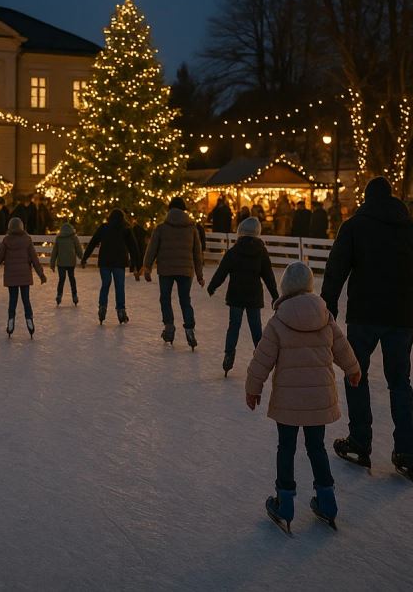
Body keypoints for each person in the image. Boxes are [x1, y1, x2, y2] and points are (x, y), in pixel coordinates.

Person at [320, 177, 413, 482]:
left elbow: (336, 269)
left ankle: (360, 441)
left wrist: (327, 309)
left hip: (364, 316)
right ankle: (406, 451)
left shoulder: (355, 226)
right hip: (402, 319)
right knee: (400, 383)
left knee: (355, 374)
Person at [246, 261, 361, 533]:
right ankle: (327, 501)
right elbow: (342, 346)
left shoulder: (278, 320)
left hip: (288, 401)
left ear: (285, 287)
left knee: (286, 448)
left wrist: (253, 388)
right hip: (318, 398)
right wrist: (353, 369)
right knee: (316, 447)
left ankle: (284, 502)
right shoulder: (325, 314)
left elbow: (262, 359)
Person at [206, 216, 279, 376]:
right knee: (256, 328)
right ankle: (261, 357)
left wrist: (213, 286)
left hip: (236, 295)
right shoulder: (261, 252)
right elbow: (268, 276)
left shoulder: (234, 251)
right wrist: (275, 296)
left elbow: (222, 271)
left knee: (234, 326)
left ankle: (229, 354)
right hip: (253, 296)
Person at [142, 197, 205, 349]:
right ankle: (189, 330)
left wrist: (147, 267)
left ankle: (169, 326)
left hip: (166, 269)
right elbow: (197, 253)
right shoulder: (192, 228)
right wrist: (200, 275)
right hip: (186, 270)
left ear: (169, 210)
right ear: (184, 210)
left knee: (165, 298)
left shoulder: (161, 228)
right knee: (185, 300)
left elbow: (152, 249)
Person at [0, 216, 46, 337]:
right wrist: (41, 274)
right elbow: (35, 259)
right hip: (25, 276)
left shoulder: (6, 240)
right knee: (26, 300)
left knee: (13, 300)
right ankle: (29, 319)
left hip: (11, 277)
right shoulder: (27, 240)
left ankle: (11, 320)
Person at [82, 209, 140, 323]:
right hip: (119, 262)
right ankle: (121, 310)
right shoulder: (126, 229)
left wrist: (85, 257)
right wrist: (138, 264)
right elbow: (133, 247)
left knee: (105, 284)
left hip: (105, 262)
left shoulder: (104, 227)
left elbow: (93, 242)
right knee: (119, 286)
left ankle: (102, 307)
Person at [50, 222, 84, 307]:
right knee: (72, 279)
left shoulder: (59, 238)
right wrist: (82, 259)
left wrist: (52, 263)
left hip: (61, 263)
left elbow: (54, 252)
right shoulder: (74, 238)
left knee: (61, 279)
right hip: (71, 262)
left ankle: (59, 295)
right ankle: (74, 295)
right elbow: (79, 249)